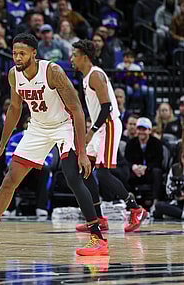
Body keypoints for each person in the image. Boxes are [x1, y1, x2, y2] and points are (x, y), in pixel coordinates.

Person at [0, 33, 107, 256]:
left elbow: (77, 109)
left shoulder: (52, 71)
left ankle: (98, 238)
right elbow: (15, 109)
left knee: (72, 177)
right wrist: (1, 146)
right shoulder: (14, 75)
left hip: (63, 126)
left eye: (22, 53)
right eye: (14, 53)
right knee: (10, 180)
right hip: (37, 128)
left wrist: (83, 151)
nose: (17, 58)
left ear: (34, 54)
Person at [70, 39, 148, 233]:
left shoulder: (96, 75)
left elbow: (107, 108)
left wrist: (90, 132)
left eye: (74, 55)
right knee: (84, 168)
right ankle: (98, 218)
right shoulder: (86, 77)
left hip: (109, 125)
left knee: (103, 173)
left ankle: (135, 209)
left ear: (85, 57)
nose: (71, 59)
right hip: (99, 127)